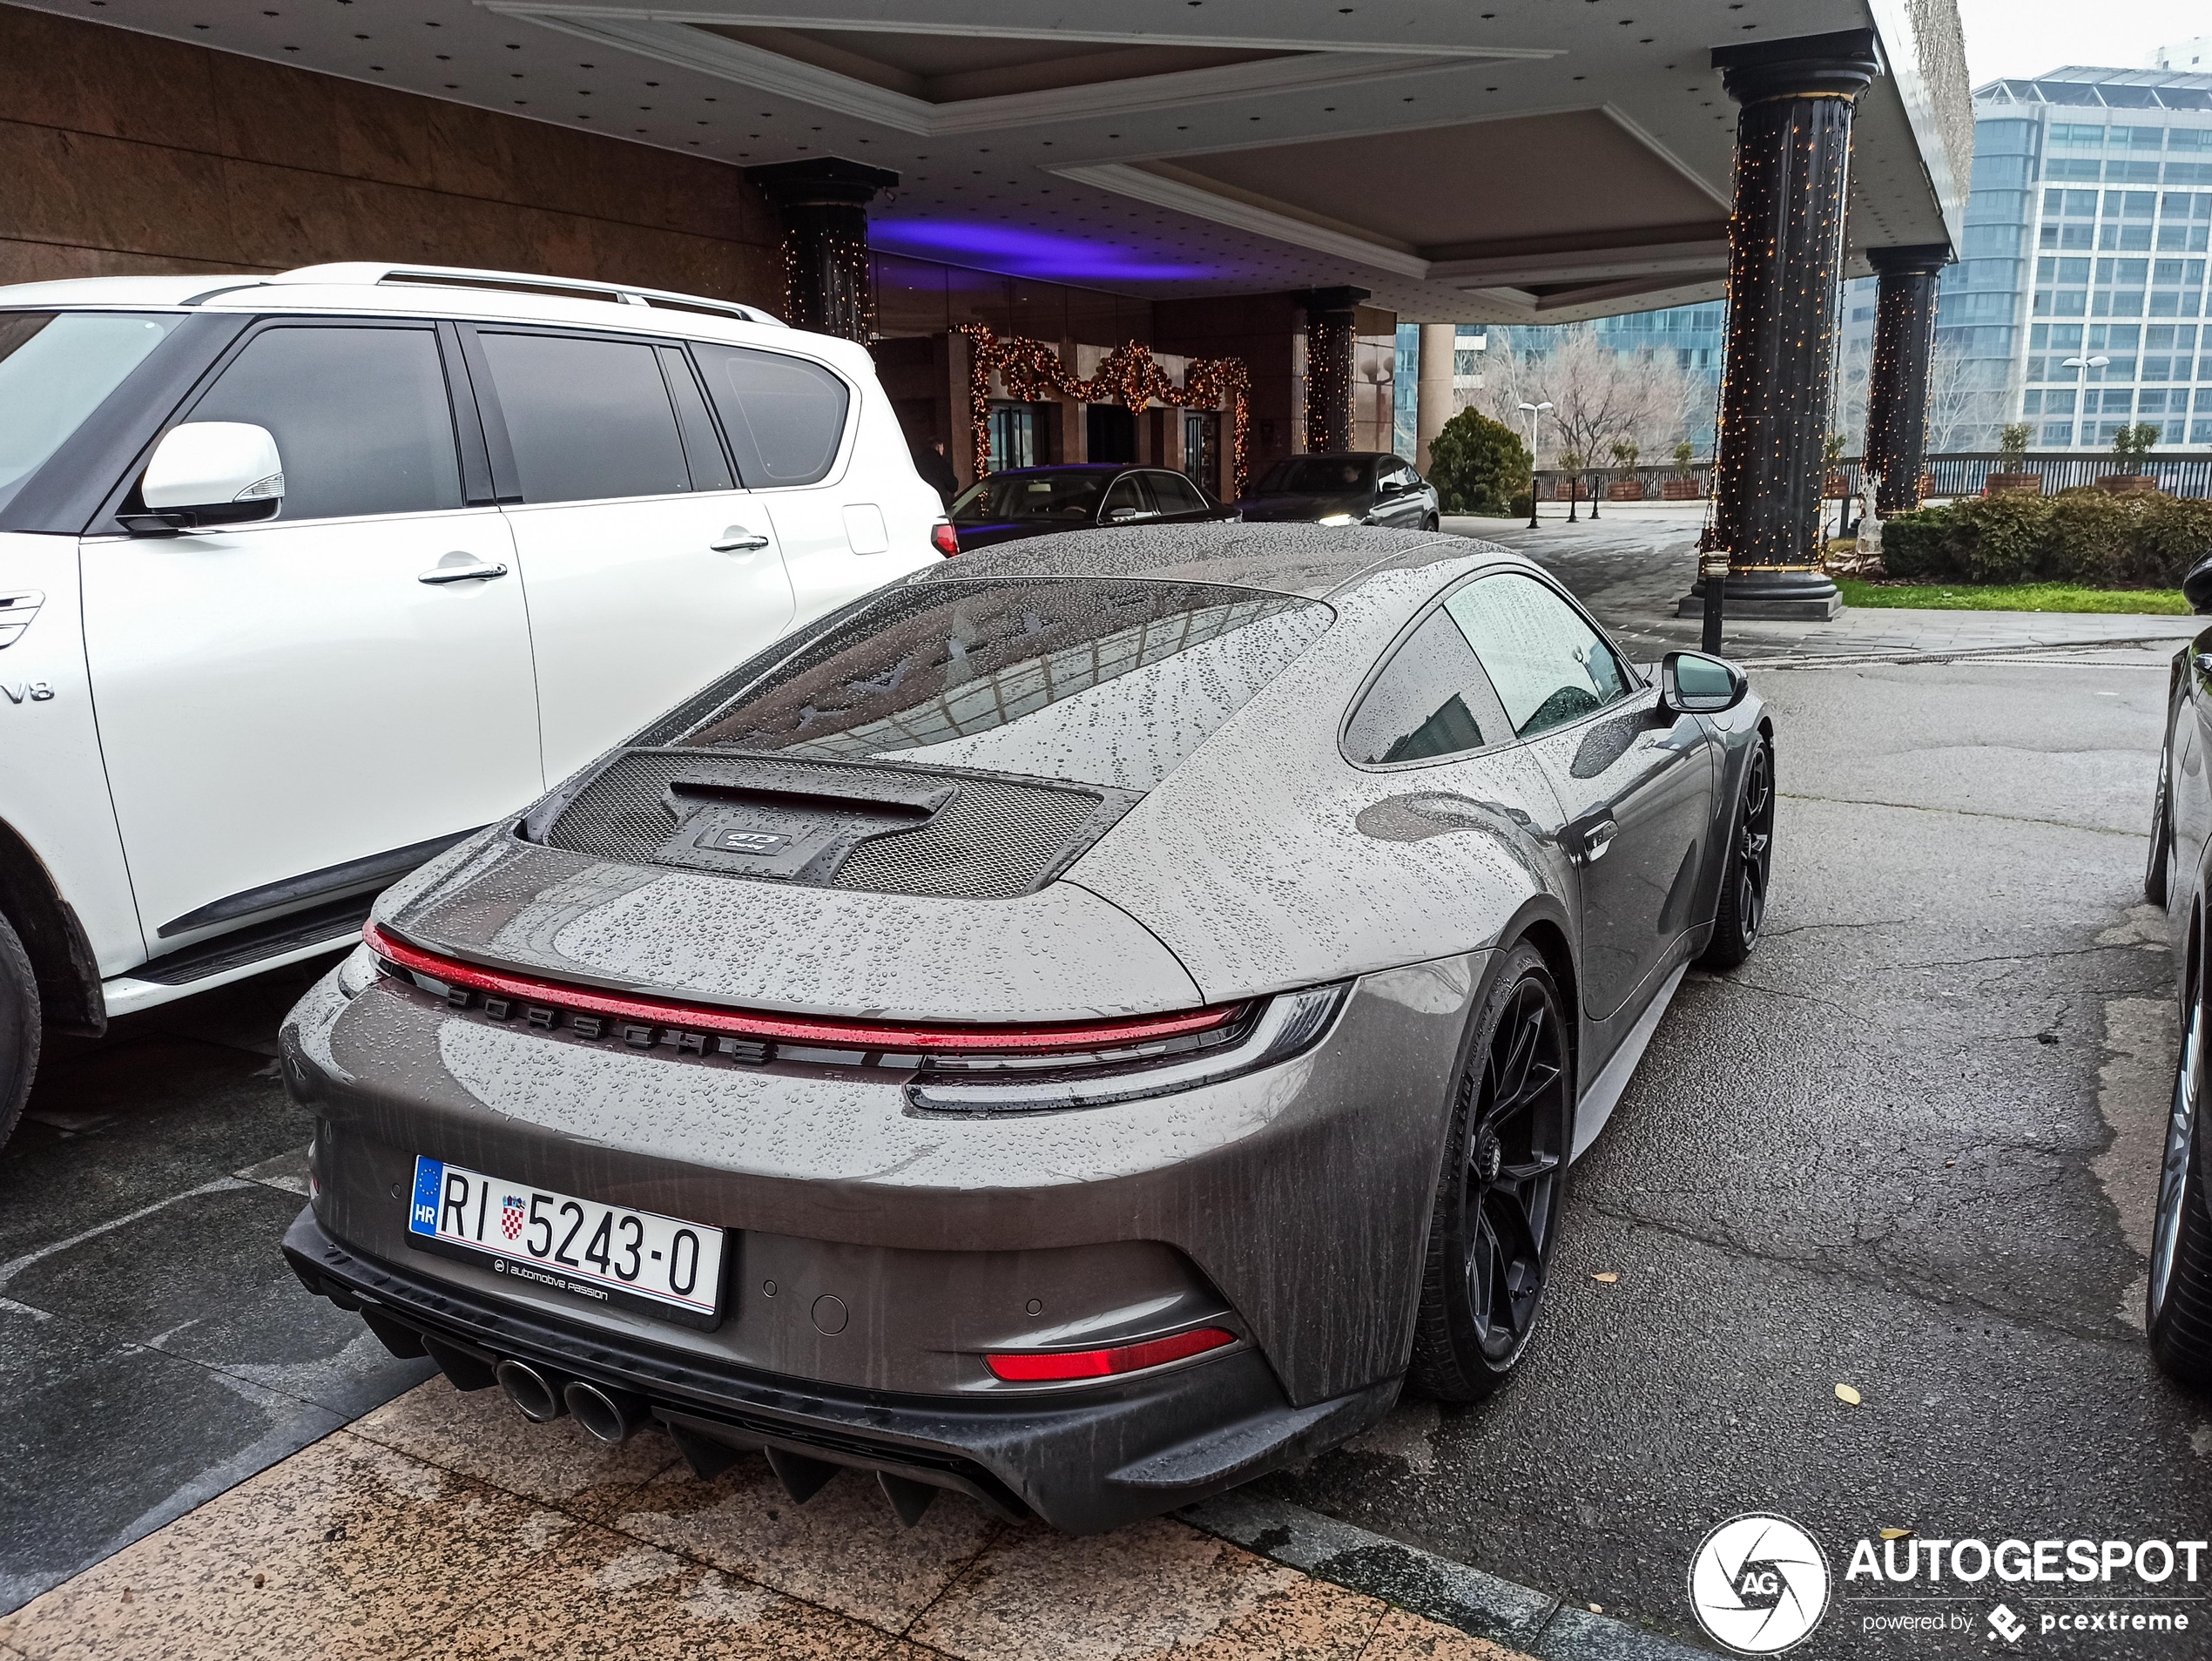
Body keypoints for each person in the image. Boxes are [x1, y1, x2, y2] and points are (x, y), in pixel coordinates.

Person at [913, 437, 959, 509]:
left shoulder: (915, 461)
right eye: (942, 448)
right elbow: (953, 486)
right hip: (938, 504)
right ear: (939, 447)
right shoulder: (942, 463)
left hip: (919, 503)